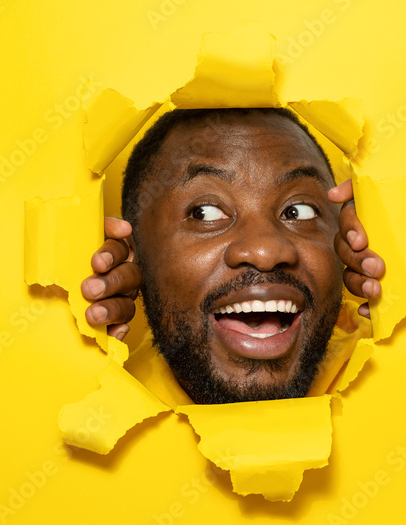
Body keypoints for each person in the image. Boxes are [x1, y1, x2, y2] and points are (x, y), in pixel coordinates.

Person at [80, 107, 385, 404]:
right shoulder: (94, 406)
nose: (265, 251)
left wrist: (401, 293)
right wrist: (75, 345)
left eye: (298, 211)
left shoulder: (398, 377)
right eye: (204, 212)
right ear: (132, 256)